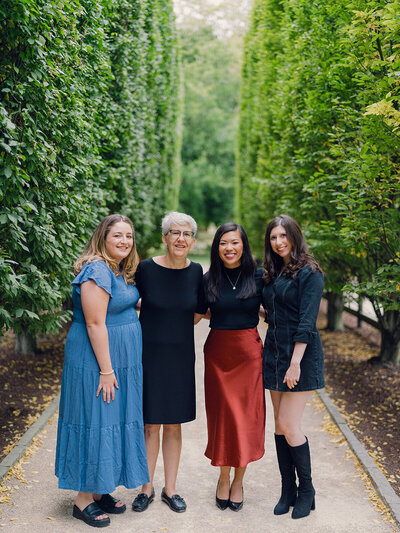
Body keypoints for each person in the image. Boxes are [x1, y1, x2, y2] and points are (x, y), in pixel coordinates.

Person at [55, 214, 149, 528]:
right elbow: (95, 323)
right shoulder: (97, 269)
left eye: (129, 236)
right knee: (95, 420)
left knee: (111, 419)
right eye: (117, 236)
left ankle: (99, 487)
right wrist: (106, 371)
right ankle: (83, 500)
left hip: (119, 358)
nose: (124, 241)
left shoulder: (119, 269)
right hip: (98, 360)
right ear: (103, 238)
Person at [132, 211, 203, 514]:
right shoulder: (146, 269)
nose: (180, 238)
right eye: (174, 232)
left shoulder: (197, 271)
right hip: (149, 356)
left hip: (180, 357)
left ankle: (170, 489)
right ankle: (146, 488)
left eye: (186, 234)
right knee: (150, 424)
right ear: (164, 238)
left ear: (193, 240)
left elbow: (198, 311)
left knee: (173, 425)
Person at [199, 222, 266, 512]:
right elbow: (197, 313)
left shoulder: (260, 276)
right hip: (217, 355)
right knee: (222, 418)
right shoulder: (208, 277)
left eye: (234, 242)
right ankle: (223, 476)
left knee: (245, 419)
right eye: (223, 243)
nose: (229, 248)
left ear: (243, 245)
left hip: (248, 355)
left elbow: (275, 308)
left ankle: (239, 480)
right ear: (217, 247)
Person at [262, 214, 324, 519]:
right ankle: (288, 488)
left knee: (289, 424)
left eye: (283, 236)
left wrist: (296, 363)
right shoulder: (274, 272)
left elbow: (307, 321)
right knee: (278, 426)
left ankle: (307, 490)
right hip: (273, 352)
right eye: (273, 237)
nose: (278, 242)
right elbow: (272, 310)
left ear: (294, 236)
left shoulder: (310, 272)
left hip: (299, 355)